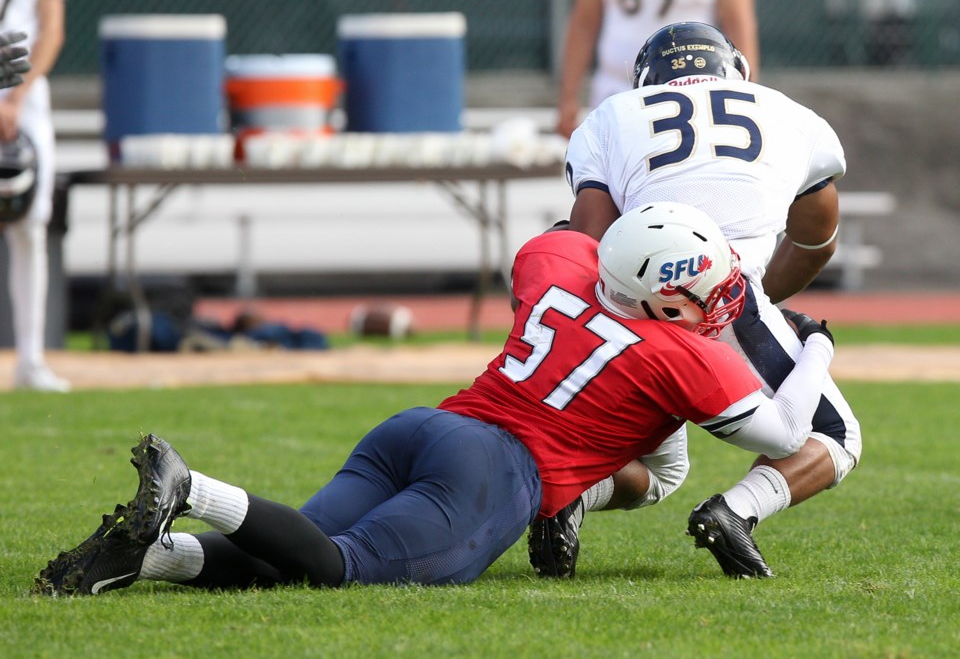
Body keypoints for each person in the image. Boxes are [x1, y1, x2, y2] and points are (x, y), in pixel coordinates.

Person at [34, 202, 837, 596]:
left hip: (429, 424)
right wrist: (819, 345)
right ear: (660, 300)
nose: (717, 301)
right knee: (335, 569)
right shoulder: (684, 356)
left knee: (292, 550)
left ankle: (148, 554)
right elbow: (789, 428)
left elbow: (569, 243)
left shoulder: (560, 264)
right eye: (701, 290)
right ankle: (191, 488)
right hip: (495, 473)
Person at [531, 21, 861, 580]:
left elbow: (590, 242)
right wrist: (753, 307)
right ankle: (736, 511)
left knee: (661, 471)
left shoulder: (612, 116)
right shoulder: (790, 116)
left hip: (628, 309)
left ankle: (574, 495)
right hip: (723, 294)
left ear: (646, 80)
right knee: (836, 435)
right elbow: (815, 240)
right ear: (735, 70)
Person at [556, 0, 759, 138]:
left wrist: (748, 95)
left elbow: (738, 22)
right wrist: (568, 97)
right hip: (616, 87)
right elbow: (585, 20)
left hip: (694, 87)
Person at [0, 0, 71, 392]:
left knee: (30, 221)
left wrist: (15, 99)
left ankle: (31, 358)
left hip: (23, 88)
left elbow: (52, 28)